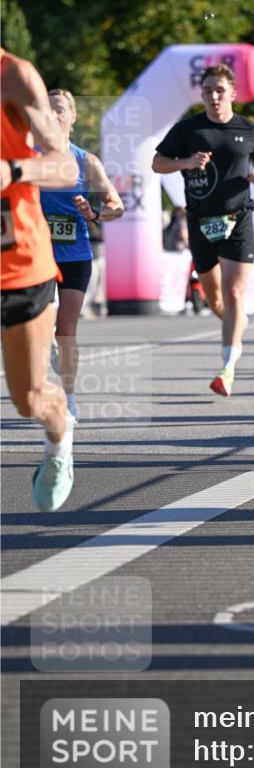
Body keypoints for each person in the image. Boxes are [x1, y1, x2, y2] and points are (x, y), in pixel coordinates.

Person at [152, 64, 254, 395]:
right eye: (208, 91)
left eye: (220, 90)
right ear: (202, 95)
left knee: (234, 294)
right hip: (200, 221)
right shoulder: (188, 130)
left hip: (238, 218)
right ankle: (235, 329)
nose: (214, 96)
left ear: (233, 93)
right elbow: (157, 163)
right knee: (216, 298)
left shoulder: (248, 129)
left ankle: (227, 368)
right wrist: (185, 163)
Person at [1, 48, 78, 511]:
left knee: (28, 398)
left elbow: (64, 165)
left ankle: (59, 438)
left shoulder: (14, 76)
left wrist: (13, 170)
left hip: (18, 266)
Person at [42, 89, 124, 421]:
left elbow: (116, 207)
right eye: (46, 110)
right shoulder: (27, 159)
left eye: (59, 110)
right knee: (41, 325)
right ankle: (46, 348)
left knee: (66, 329)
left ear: (72, 117)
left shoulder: (85, 162)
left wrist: (92, 213)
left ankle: (70, 397)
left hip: (75, 253)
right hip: (38, 254)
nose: (52, 115)